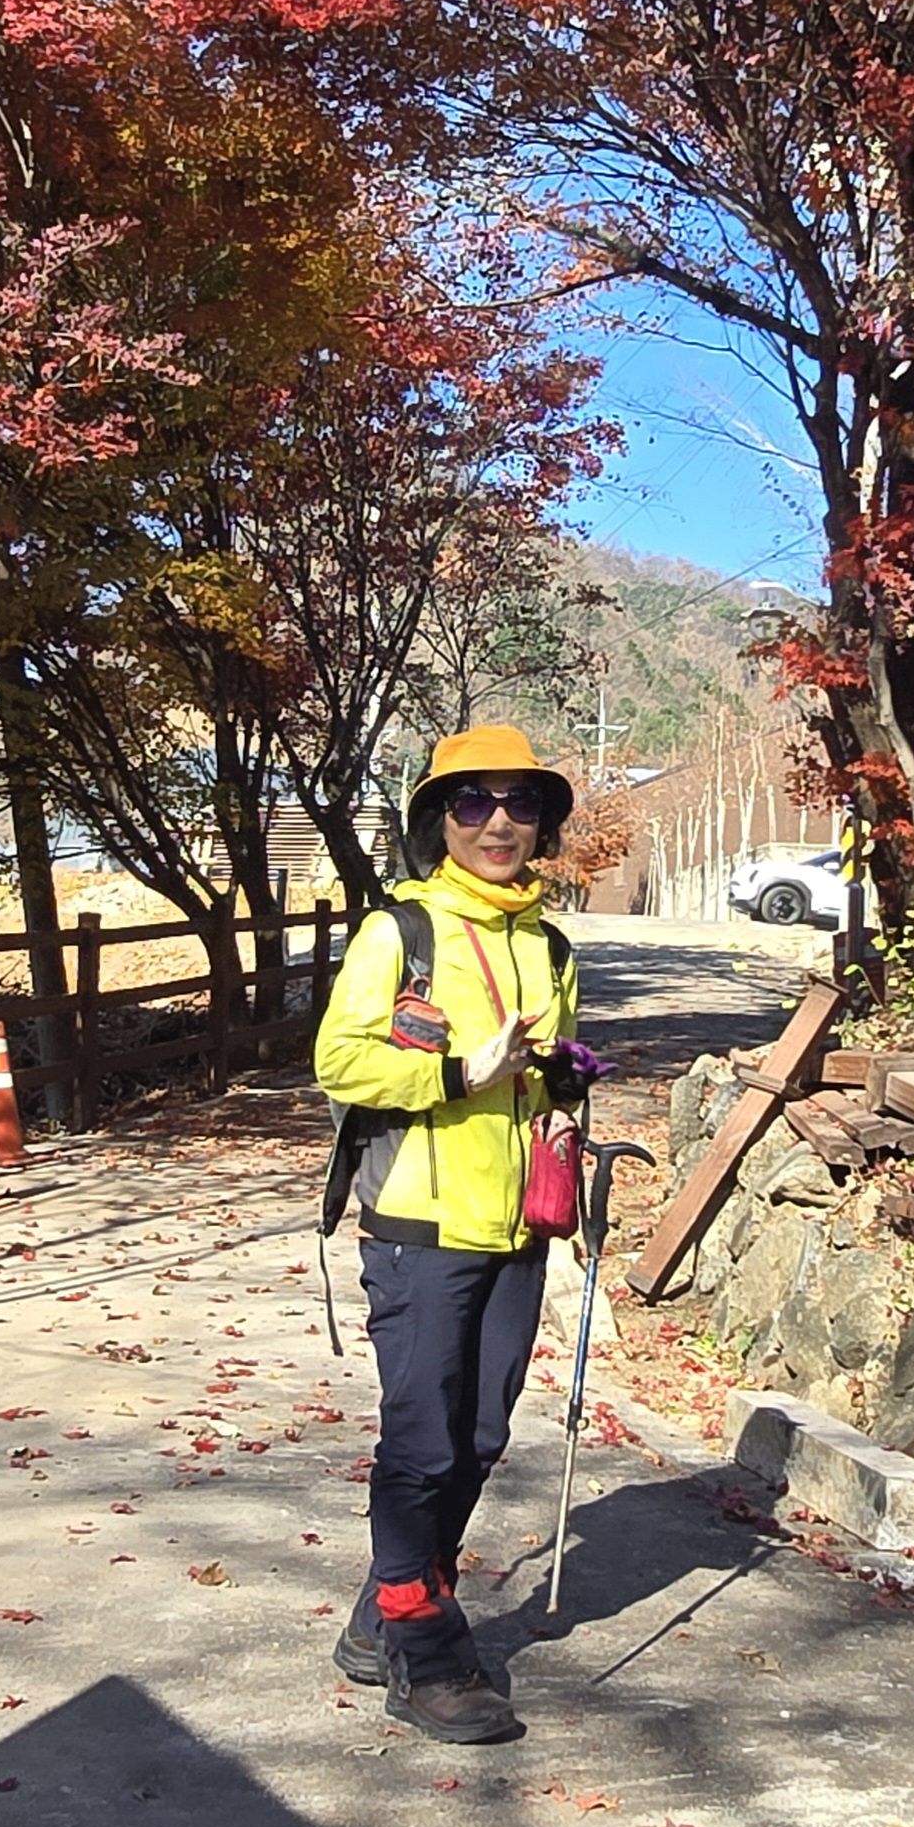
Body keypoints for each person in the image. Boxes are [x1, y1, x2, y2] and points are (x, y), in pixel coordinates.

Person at [312, 723, 586, 1745]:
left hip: (517, 1226)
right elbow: (339, 1061)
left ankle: (382, 1610)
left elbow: (555, 1066)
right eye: (473, 801)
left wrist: (564, 1091)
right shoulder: (402, 933)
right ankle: (421, 1646)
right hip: (420, 1227)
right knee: (423, 1438)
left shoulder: (549, 946)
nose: (499, 822)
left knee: (478, 1437)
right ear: (440, 820)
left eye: (521, 802)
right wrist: (457, 1072)